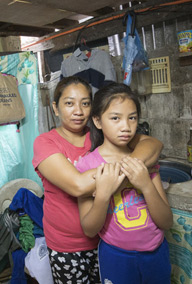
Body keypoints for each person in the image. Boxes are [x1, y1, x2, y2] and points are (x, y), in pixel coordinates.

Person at [32, 76, 163, 283]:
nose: (78, 111)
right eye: (69, 103)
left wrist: (132, 168)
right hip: (68, 245)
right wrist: (130, 170)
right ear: (55, 108)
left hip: (107, 241)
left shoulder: (101, 134)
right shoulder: (46, 142)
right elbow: (79, 185)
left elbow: (153, 144)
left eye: (85, 103)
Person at [76, 82, 173, 284]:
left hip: (156, 253)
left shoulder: (143, 160)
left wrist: (146, 185)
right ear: (97, 121)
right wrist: (102, 195)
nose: (126, 127)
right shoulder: (88, 165)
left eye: (132, 118)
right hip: (115, 256)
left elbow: (166, 222)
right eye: (115, 118)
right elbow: (89, 229)